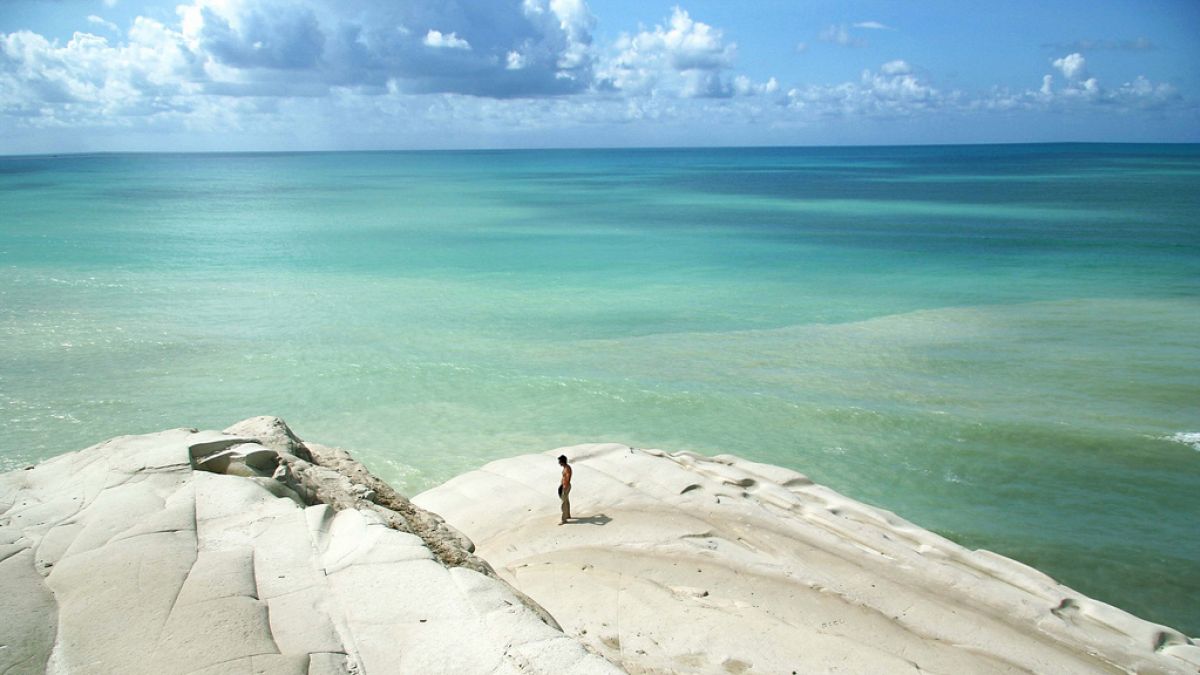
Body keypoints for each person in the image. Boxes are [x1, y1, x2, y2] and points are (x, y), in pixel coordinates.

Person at [557, 454, 572, 524]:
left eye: (559, 461)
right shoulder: (566, 467)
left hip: (566, 486)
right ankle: (568, 515)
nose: (559, 463)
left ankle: (564, 520)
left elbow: (568, 478)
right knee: (566, 501)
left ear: (562, 462)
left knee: (563, 503)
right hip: (564, 485)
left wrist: (564, 486)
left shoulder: (567, 468)